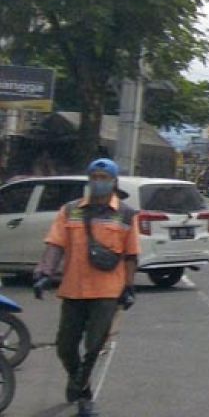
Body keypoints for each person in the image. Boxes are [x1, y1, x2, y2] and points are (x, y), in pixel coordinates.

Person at [33, 158, 138, 417]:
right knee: (65, 346)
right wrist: (44, 272)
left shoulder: (125, 214)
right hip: (73, 289)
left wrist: (129, 286)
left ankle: (84, 396)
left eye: (104, 177)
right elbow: (55, 244)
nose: (98, 181)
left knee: (93, 347)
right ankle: (77, 379)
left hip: (107, 292)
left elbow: (131, 255)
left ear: (114, 182)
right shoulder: (70, 211)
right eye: (94, 176)